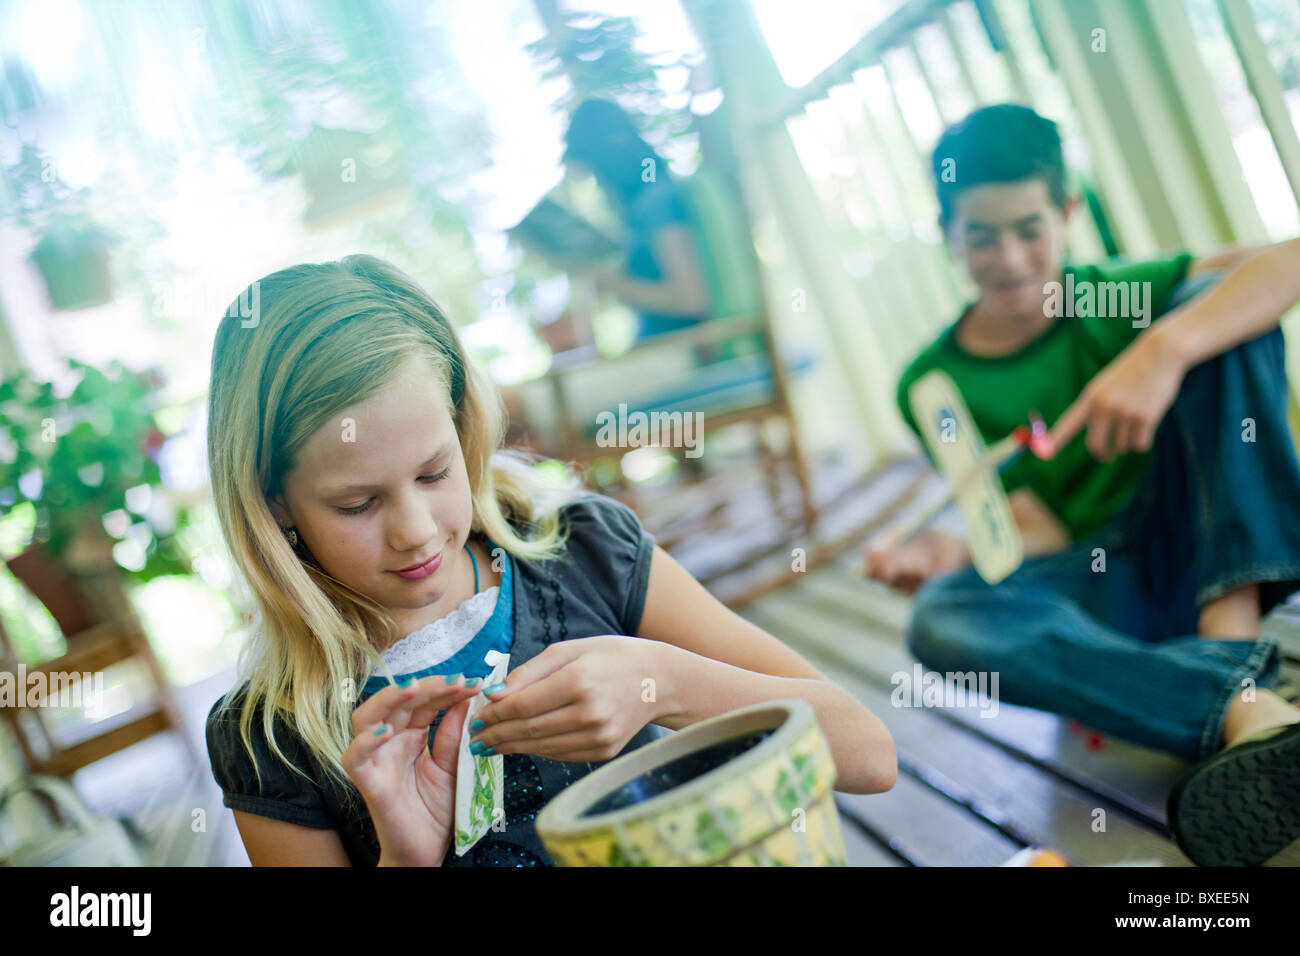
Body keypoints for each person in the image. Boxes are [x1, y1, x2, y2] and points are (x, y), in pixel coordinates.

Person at [204, 254, 896, 866]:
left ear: (463, 425)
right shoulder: (271, 735)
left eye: (434, 472)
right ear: (275, 504)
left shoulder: (586, 555)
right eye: (357, 504)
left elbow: (866, 754)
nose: (415, 533)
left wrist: (664, 682)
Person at [863, 103, 1300, 866]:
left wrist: (1162, 349)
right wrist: (945, 553)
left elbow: (1287, 261)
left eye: (1029, 228)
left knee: (1224, 312)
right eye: (980, 235)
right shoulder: (932, 384)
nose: (1010, 257)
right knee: (942, 617)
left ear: (1066, 212)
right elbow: (1031, 527)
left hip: (1205, 553)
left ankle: (1225, 646)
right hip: (1105, 590)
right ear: (947, 234)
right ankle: (1241, 704)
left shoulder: (1108, 300)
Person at [562, 98, 712, 340]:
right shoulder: (647, 207)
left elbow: (691, 298)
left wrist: (612, 282)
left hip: (685, 350)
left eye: (596, 171)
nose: (600, 184)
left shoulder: (658, 203)